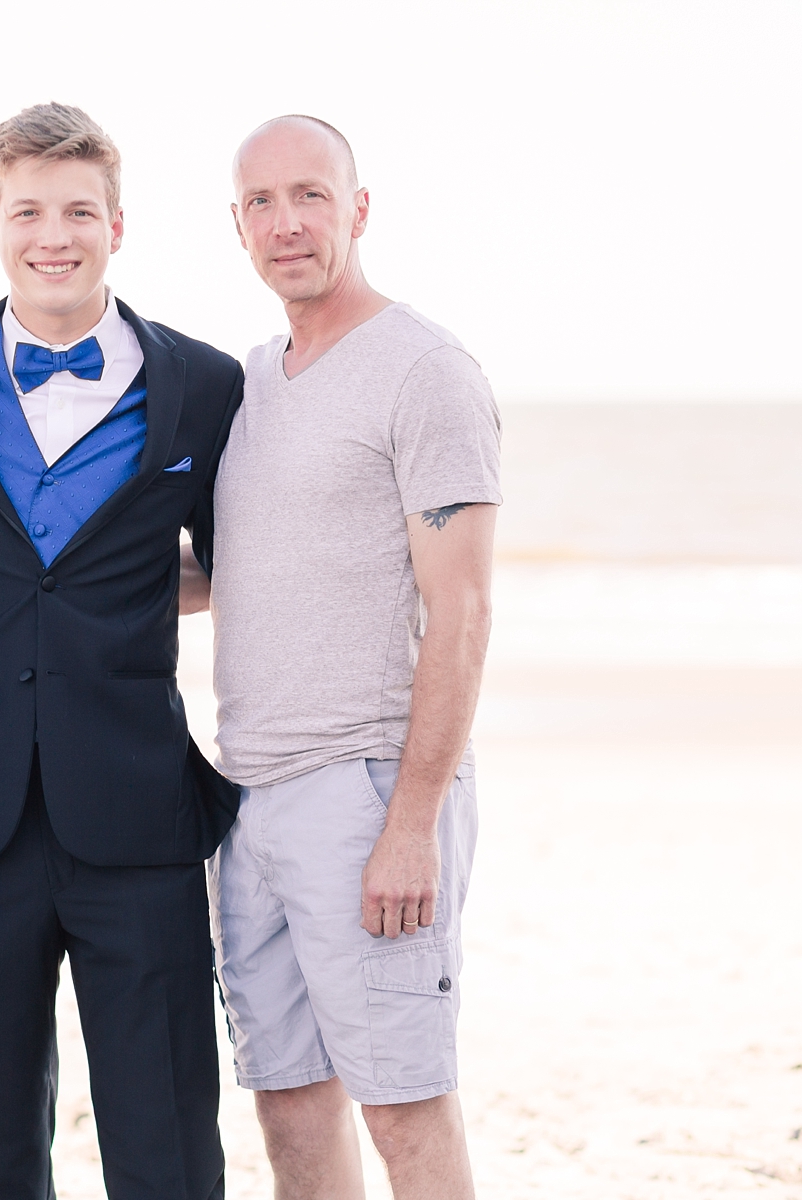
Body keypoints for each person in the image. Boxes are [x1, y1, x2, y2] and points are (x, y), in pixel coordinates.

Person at [0, 104, 243, 1200]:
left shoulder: (207, 385)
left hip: (136, 804)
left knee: (167, 1122)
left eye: (79, 211)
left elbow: (240, 571)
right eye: (28, 210)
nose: (55, 234)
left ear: (118, 226)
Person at [199, 115, 499, 1200]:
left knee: (406, 1113)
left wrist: (412, 822)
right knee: (288, 1108)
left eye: (311, 195)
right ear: (238, 228)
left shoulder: (424, 370)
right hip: (249, 798)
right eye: (263, 204)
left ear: (358, 208)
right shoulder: (254, 384)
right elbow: (238, 572)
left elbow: (461, 609)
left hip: (370, 790)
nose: (288, 223)